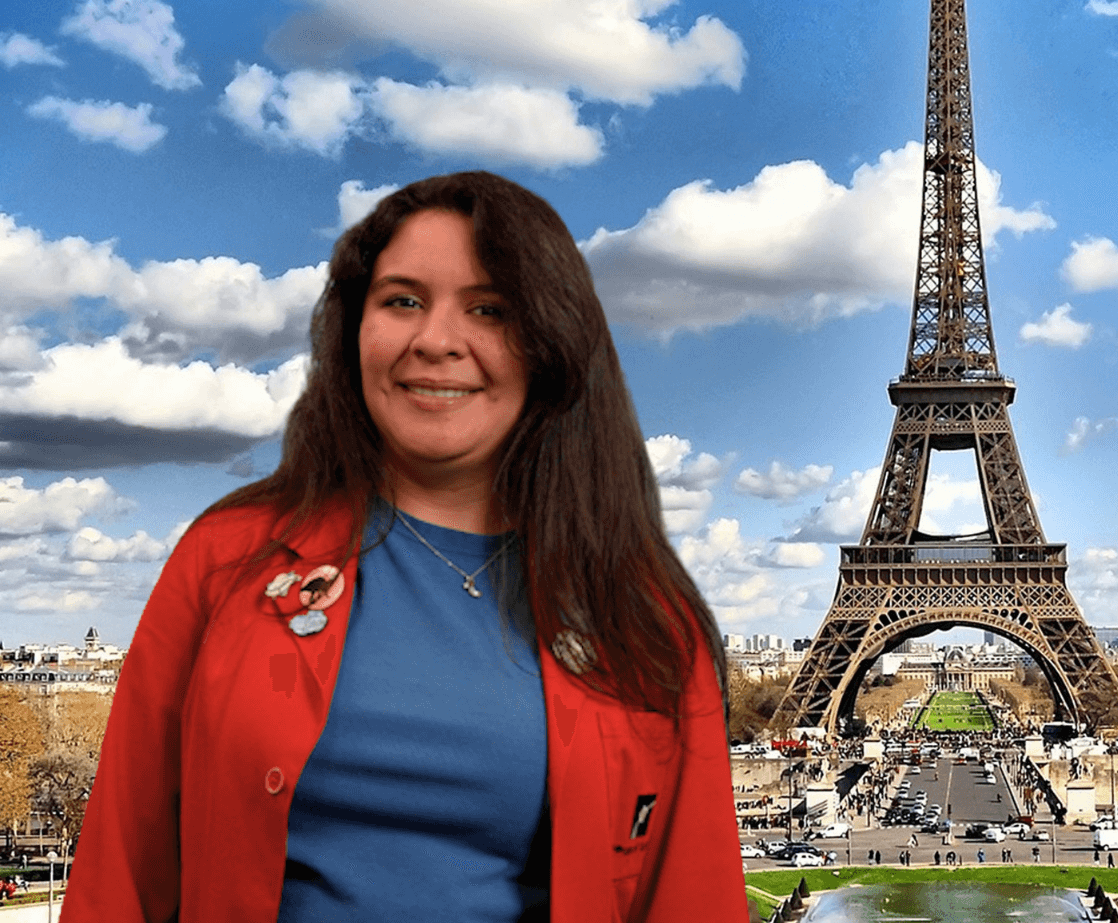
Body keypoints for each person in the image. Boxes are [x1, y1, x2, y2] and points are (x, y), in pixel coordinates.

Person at [64, 173, 747, 922]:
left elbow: (693, 896)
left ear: (549, 342)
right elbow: (119, 869)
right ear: (355, 327)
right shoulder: (224, 558)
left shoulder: (647, 618)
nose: (435, 340)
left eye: (488, 309)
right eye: (402, 300)